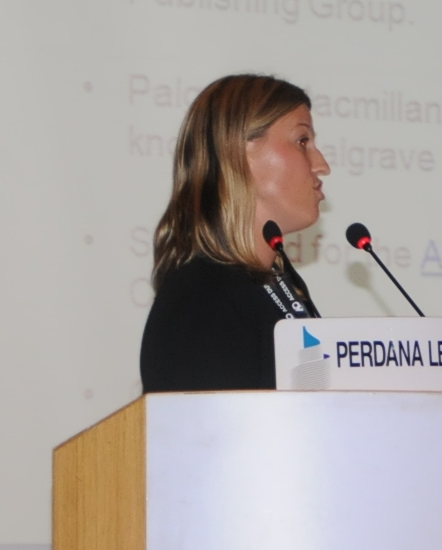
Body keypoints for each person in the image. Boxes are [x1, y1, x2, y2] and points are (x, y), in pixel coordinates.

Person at [139, 74, 331, 392]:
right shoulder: (202, 300)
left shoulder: (281, 284)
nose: (321, 165)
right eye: (302, 142)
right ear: (241, 153)